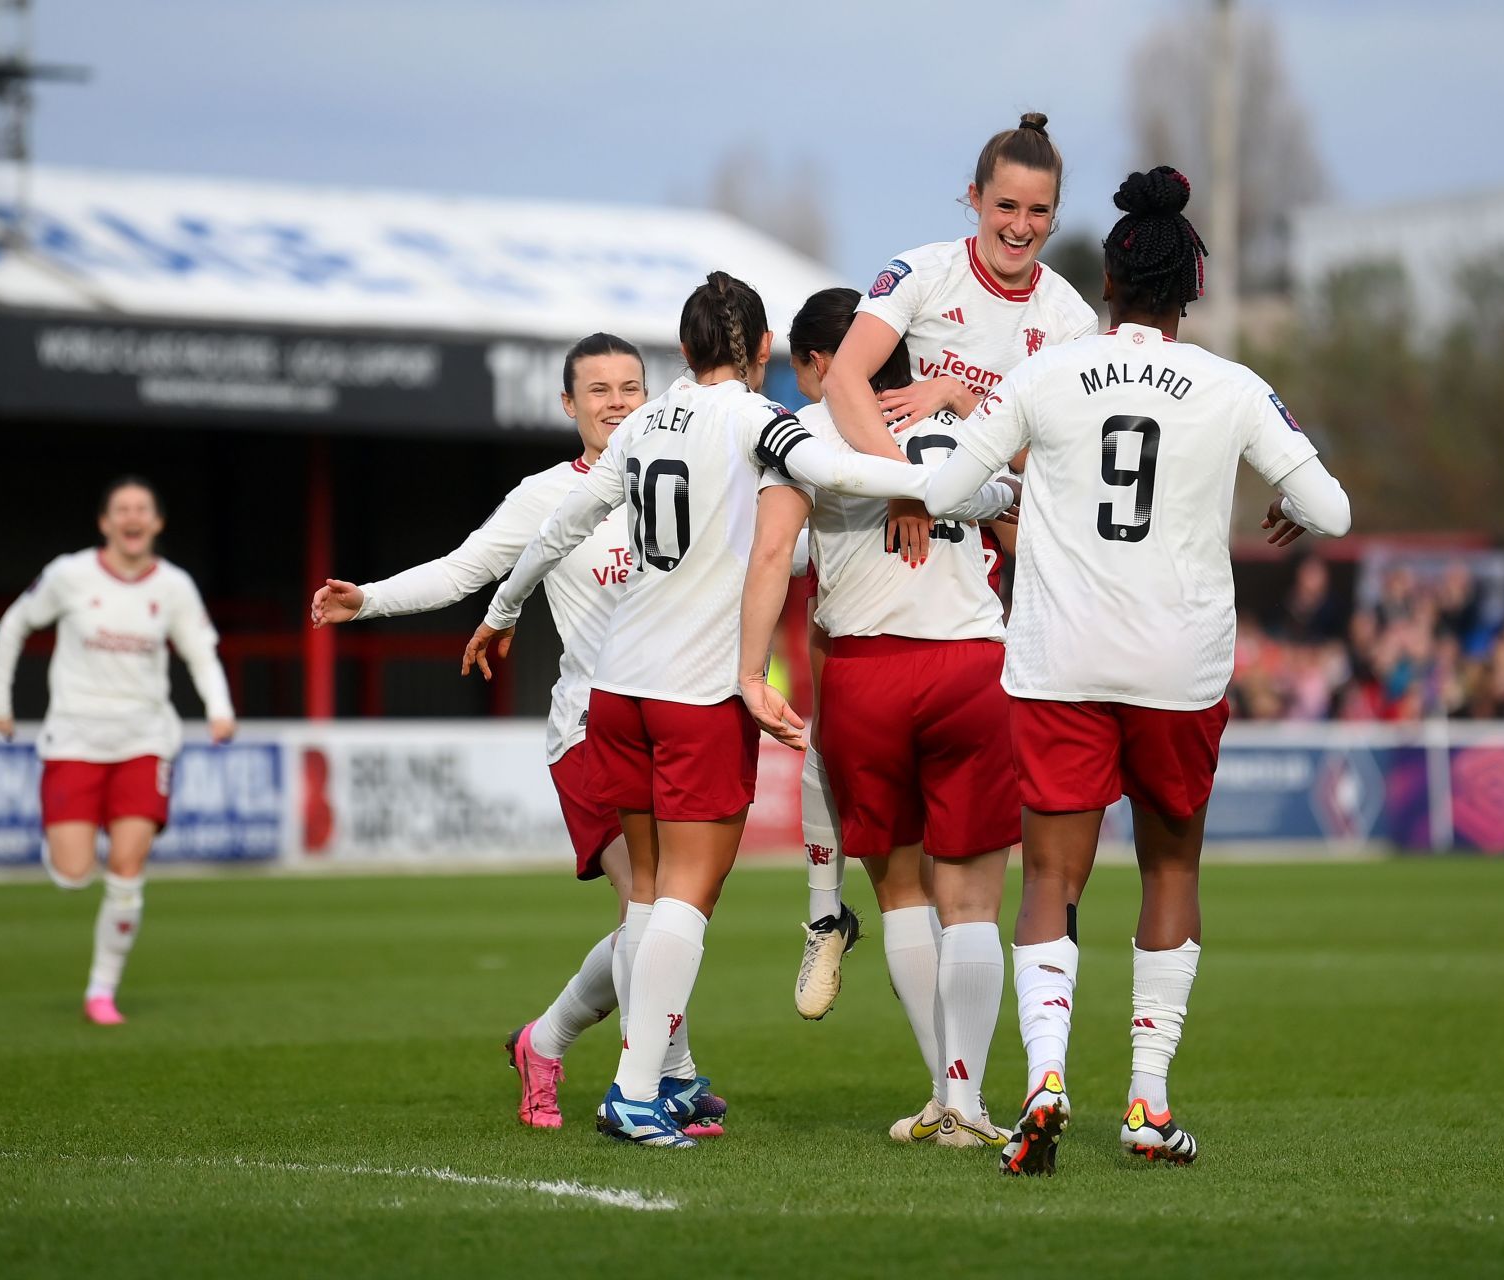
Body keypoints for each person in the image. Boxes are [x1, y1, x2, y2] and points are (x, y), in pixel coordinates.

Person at [461, 271, 994, 1148]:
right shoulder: (760, 421)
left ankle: (656, 1086)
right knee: (688, 899)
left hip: (617, 689)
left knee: (647, 903)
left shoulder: (640, 423)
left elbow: (560, 526)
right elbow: (833, 468)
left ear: (683, 349)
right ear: (756, 354)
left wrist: (502, 609)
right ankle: (636, 1094)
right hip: (696, 689)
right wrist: (924, 478)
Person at [919, 167, 1352, 1175]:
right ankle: (1148, 1104)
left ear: (1106, 284)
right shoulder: (1235, 386)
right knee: (1169, 867)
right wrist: (1282, 502)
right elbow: (1328, 510)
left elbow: (945, 481)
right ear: (1188, 290)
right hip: (1177, 664)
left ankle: (1043, 1079)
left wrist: (1016, 483)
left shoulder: (1046, 374)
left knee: (1052, 876)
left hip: (1064, 655)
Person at [309, 336, 723, 1137]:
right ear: (568, 406)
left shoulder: (686, 476)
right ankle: (668, 1075)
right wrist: (371, 599)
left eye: (630, 386)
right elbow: (468, 568)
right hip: (591, 731)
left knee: (665, 912)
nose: (615, 401)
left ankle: (550, 1041)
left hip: (673, 716)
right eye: (596, 389)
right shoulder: (545, 496)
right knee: (650, 903)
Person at [793, 111, 1099, 1019]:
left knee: (980, 863)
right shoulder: (920, 272)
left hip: (1003, 576)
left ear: (1053, 213)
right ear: (973, 199)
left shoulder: (1070, 318)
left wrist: (970, 403)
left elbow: (1064, 461)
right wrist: (902, 485)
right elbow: (847, 382)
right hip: (889, 542)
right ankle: (821, 918)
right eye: (1004, 204)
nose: (1019, 224)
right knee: (830, 717)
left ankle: (971, 1061)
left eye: (1037, 211)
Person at [739, 287, 1022, 1147]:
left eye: (802, 367)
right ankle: (970, 1105)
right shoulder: (964, 427)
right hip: (974, 665)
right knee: (972, 901)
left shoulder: (811, 437)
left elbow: (767, 557)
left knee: (901, 893)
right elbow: (1022, 529)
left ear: (827, 362)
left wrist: (750, 672)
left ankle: (942, 1092)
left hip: (866, 673)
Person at [0, 477, 236, 1025]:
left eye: (142, 509)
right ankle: (68, 840)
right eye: (121, 509)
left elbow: (201, 650)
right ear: (105, 523)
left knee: (127, 866)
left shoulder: (173, 586)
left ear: (157, 523)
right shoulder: (68, 575)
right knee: (75, 873)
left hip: (144, 739)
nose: (132, 517)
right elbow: (13, 625)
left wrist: (220, 708)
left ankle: (102, 990)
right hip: (74, 737)